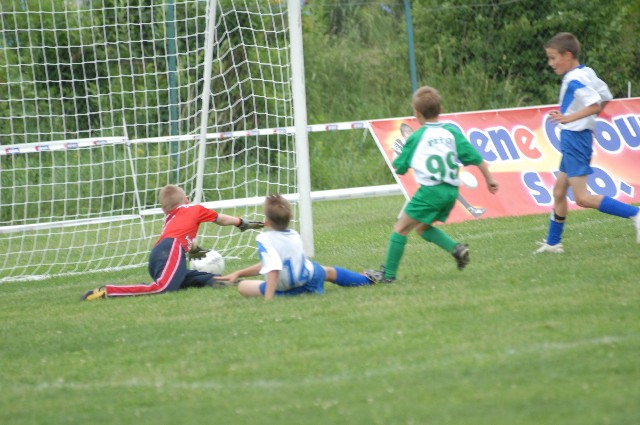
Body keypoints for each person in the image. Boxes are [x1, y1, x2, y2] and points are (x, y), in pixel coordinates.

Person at [365, 85, 499, 283]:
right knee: (422, 228)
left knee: (400, 228)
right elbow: (475, 157)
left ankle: (388, 276)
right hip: (451, 192)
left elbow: (400, 167)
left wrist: (397, 157)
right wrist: (489, 179)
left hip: (431, 192)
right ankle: (457, 249)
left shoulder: (417, 137)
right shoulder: (451, 132)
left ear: (416, 113)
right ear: (440, 109)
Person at [535, 32, 640, 254]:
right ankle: (553, 243)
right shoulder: (586, 72)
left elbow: (593, 105)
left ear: (568, 55)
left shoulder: (574, 79)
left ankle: (636, 214)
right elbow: (605, 96)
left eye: (553, 58)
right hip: (575, 137)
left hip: (575, 139)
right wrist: (586, 121)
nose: (550, 63)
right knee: (559, 191)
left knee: (582, 198)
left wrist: (569, 119)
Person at [81, 184, 264, 300]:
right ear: (186, 200)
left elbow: (184, 239)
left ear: (164, 209)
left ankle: (223, 282)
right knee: (163, 289)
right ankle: (108, 291)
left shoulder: (169, 218)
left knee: (192, 280)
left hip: (157, 256)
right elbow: (221, 219)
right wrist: (241, 222)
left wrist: (195, 249)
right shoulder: (194, 208)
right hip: (171, 249)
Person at [217, 194, 373, 300]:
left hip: (289, 288)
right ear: (290, 217)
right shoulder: (294, 235)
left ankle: (288, 295)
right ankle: (366, 279)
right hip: (311, 279)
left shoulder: (264, 239)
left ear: (266, 222)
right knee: (328, 271)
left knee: (243, 287)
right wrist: (240, 272)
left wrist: (268, 300)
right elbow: (271, 262)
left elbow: (273, 268)